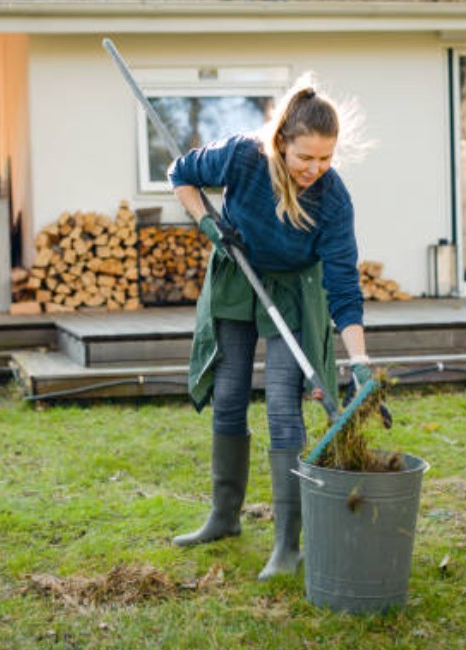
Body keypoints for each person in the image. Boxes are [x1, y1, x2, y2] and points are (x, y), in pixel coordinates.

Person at [168, 76, 372, 581]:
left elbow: (343, 288)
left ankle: (287, 544)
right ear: (281, 140)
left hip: (294, 290)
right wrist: (206, 223)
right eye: (306, 157)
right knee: (231, 393)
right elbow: (181, 173)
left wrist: (361, 363)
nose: (315, 169)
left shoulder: (333, 199)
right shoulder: (242, 156)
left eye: (325, 158)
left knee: (283, 405)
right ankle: (223, 518)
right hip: (239, 274)